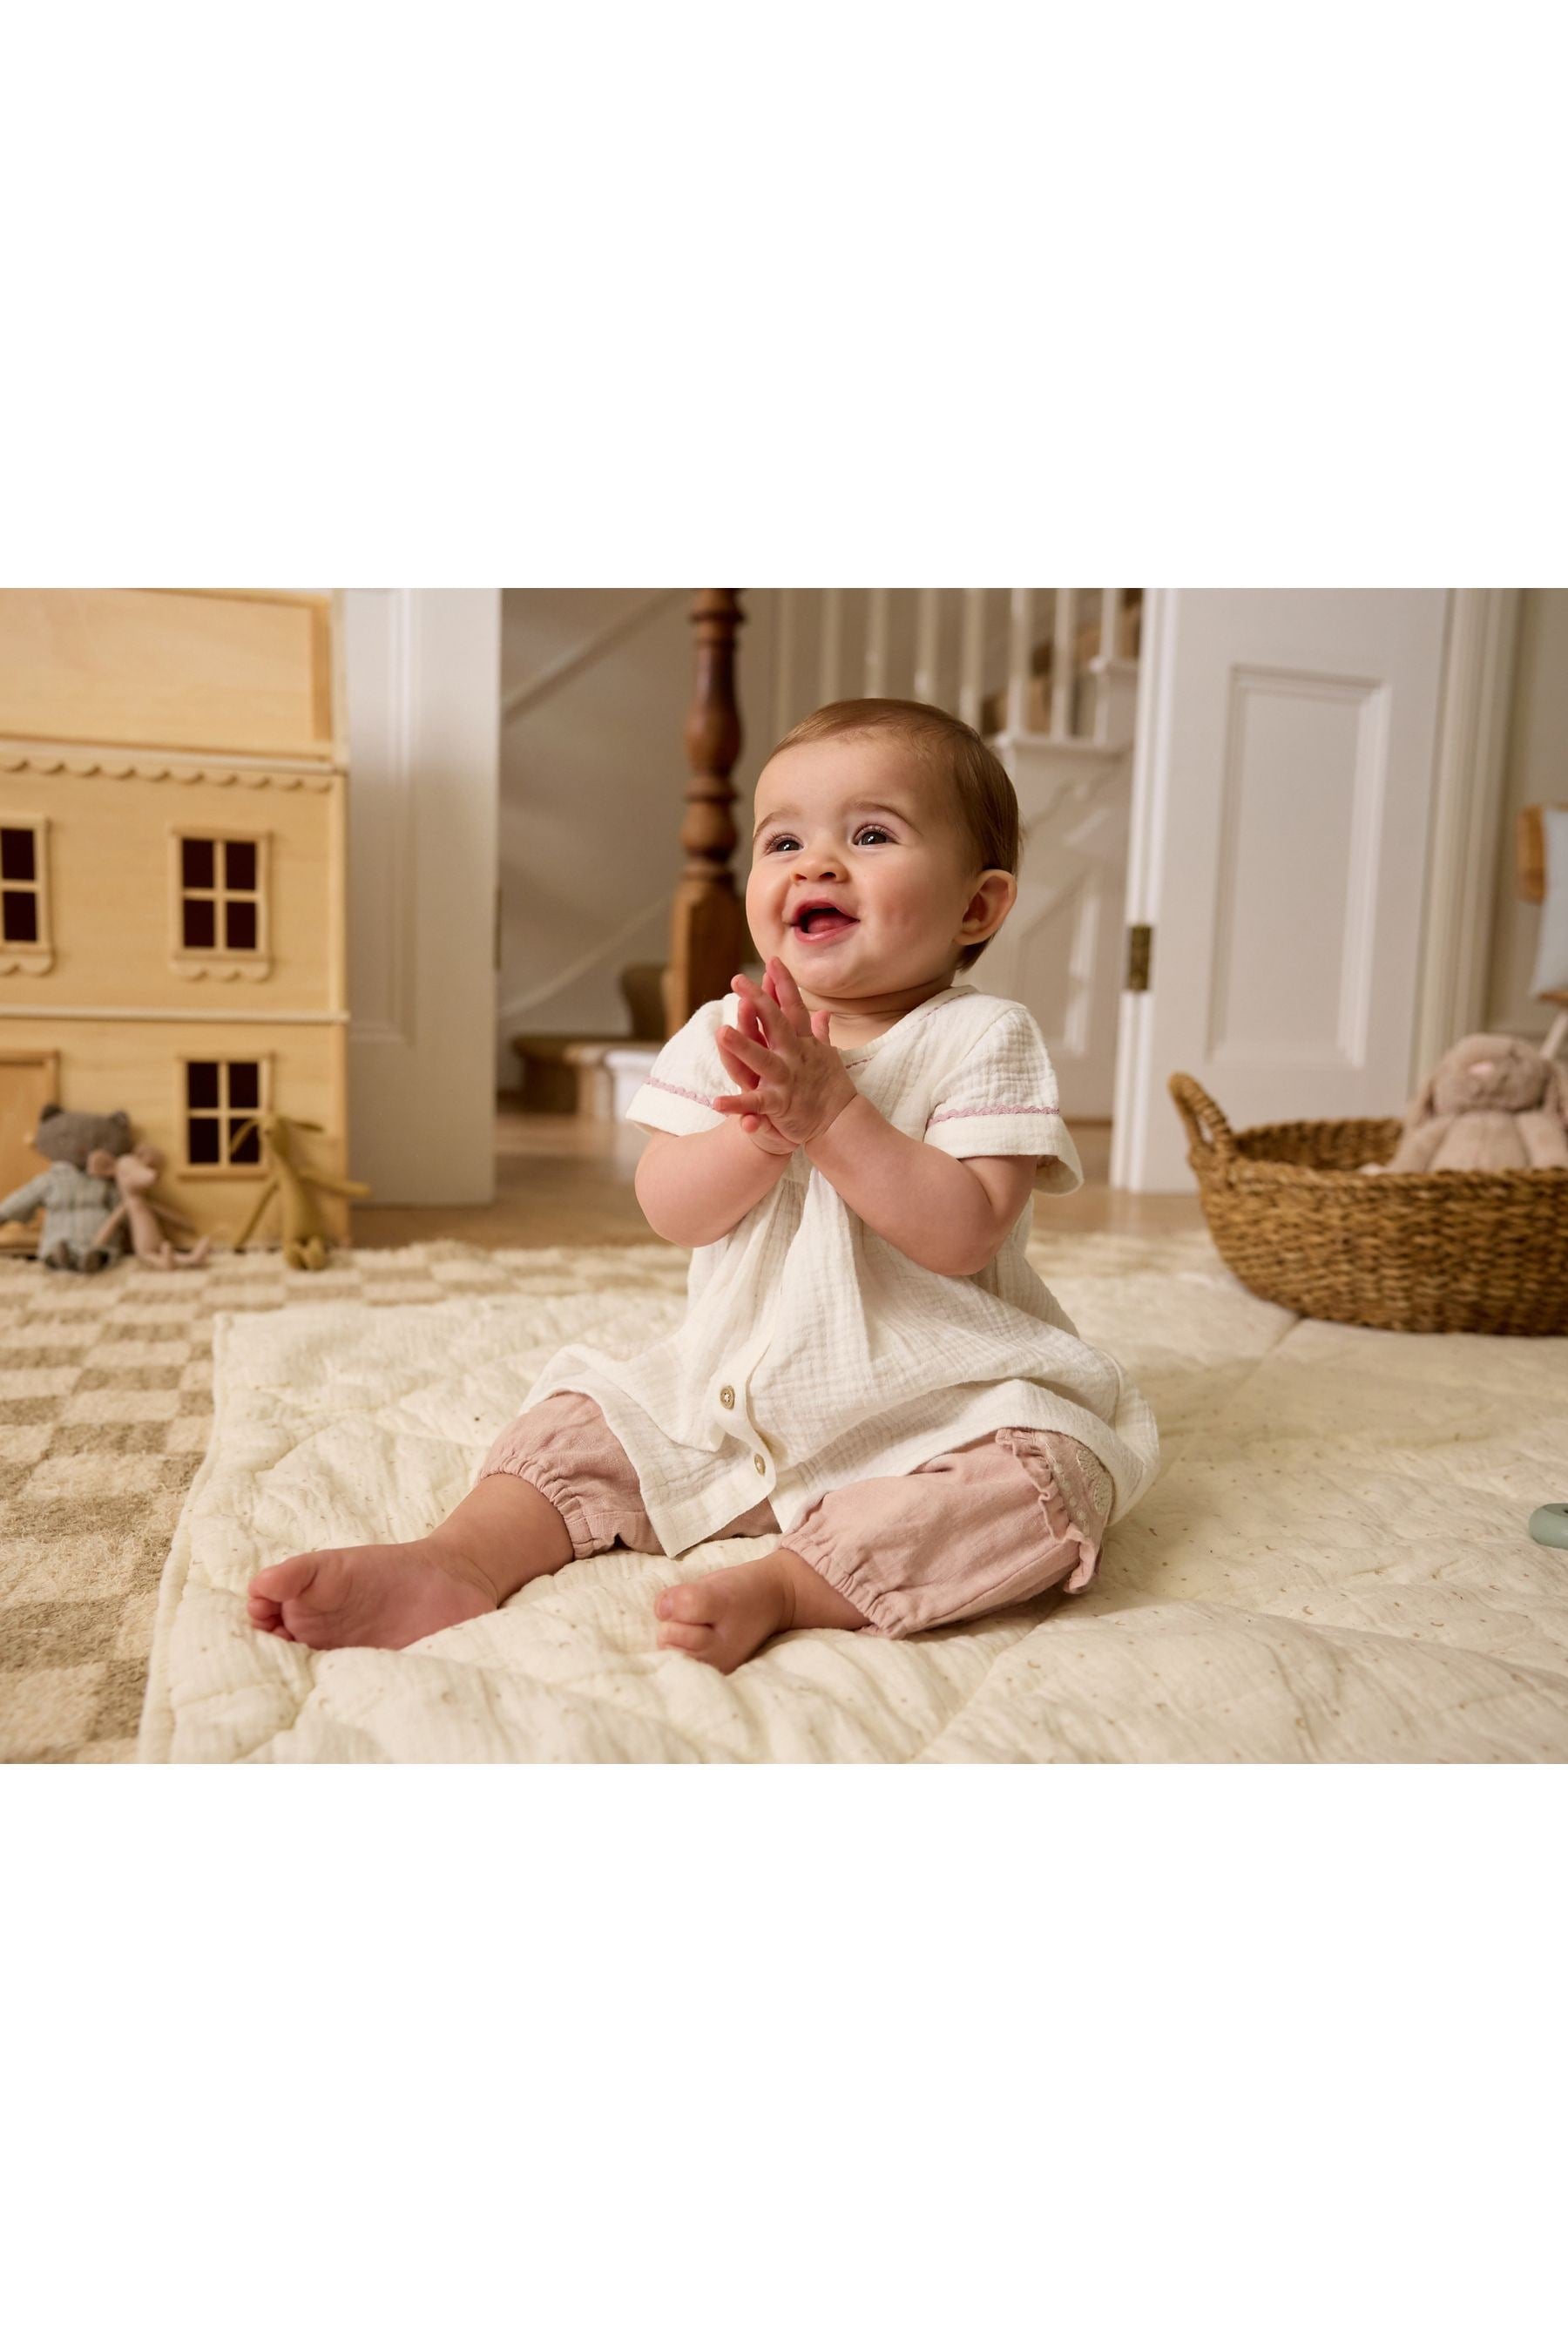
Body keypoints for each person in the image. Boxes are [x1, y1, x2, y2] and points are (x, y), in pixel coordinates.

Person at [247, 698, 1159, 1670]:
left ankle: (800, 1582)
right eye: (783, 841)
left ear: (976, 907)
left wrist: (836, 1118)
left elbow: (966, 1231)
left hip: (936, 1402)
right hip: (731, 1396)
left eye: (871, 834)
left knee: (1057, 1476)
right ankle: (458, 1560)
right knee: (580, 1419)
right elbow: (671, 1209)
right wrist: (761, 1141)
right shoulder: (730, 1029)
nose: (815, 864)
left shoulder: (983, 1037)